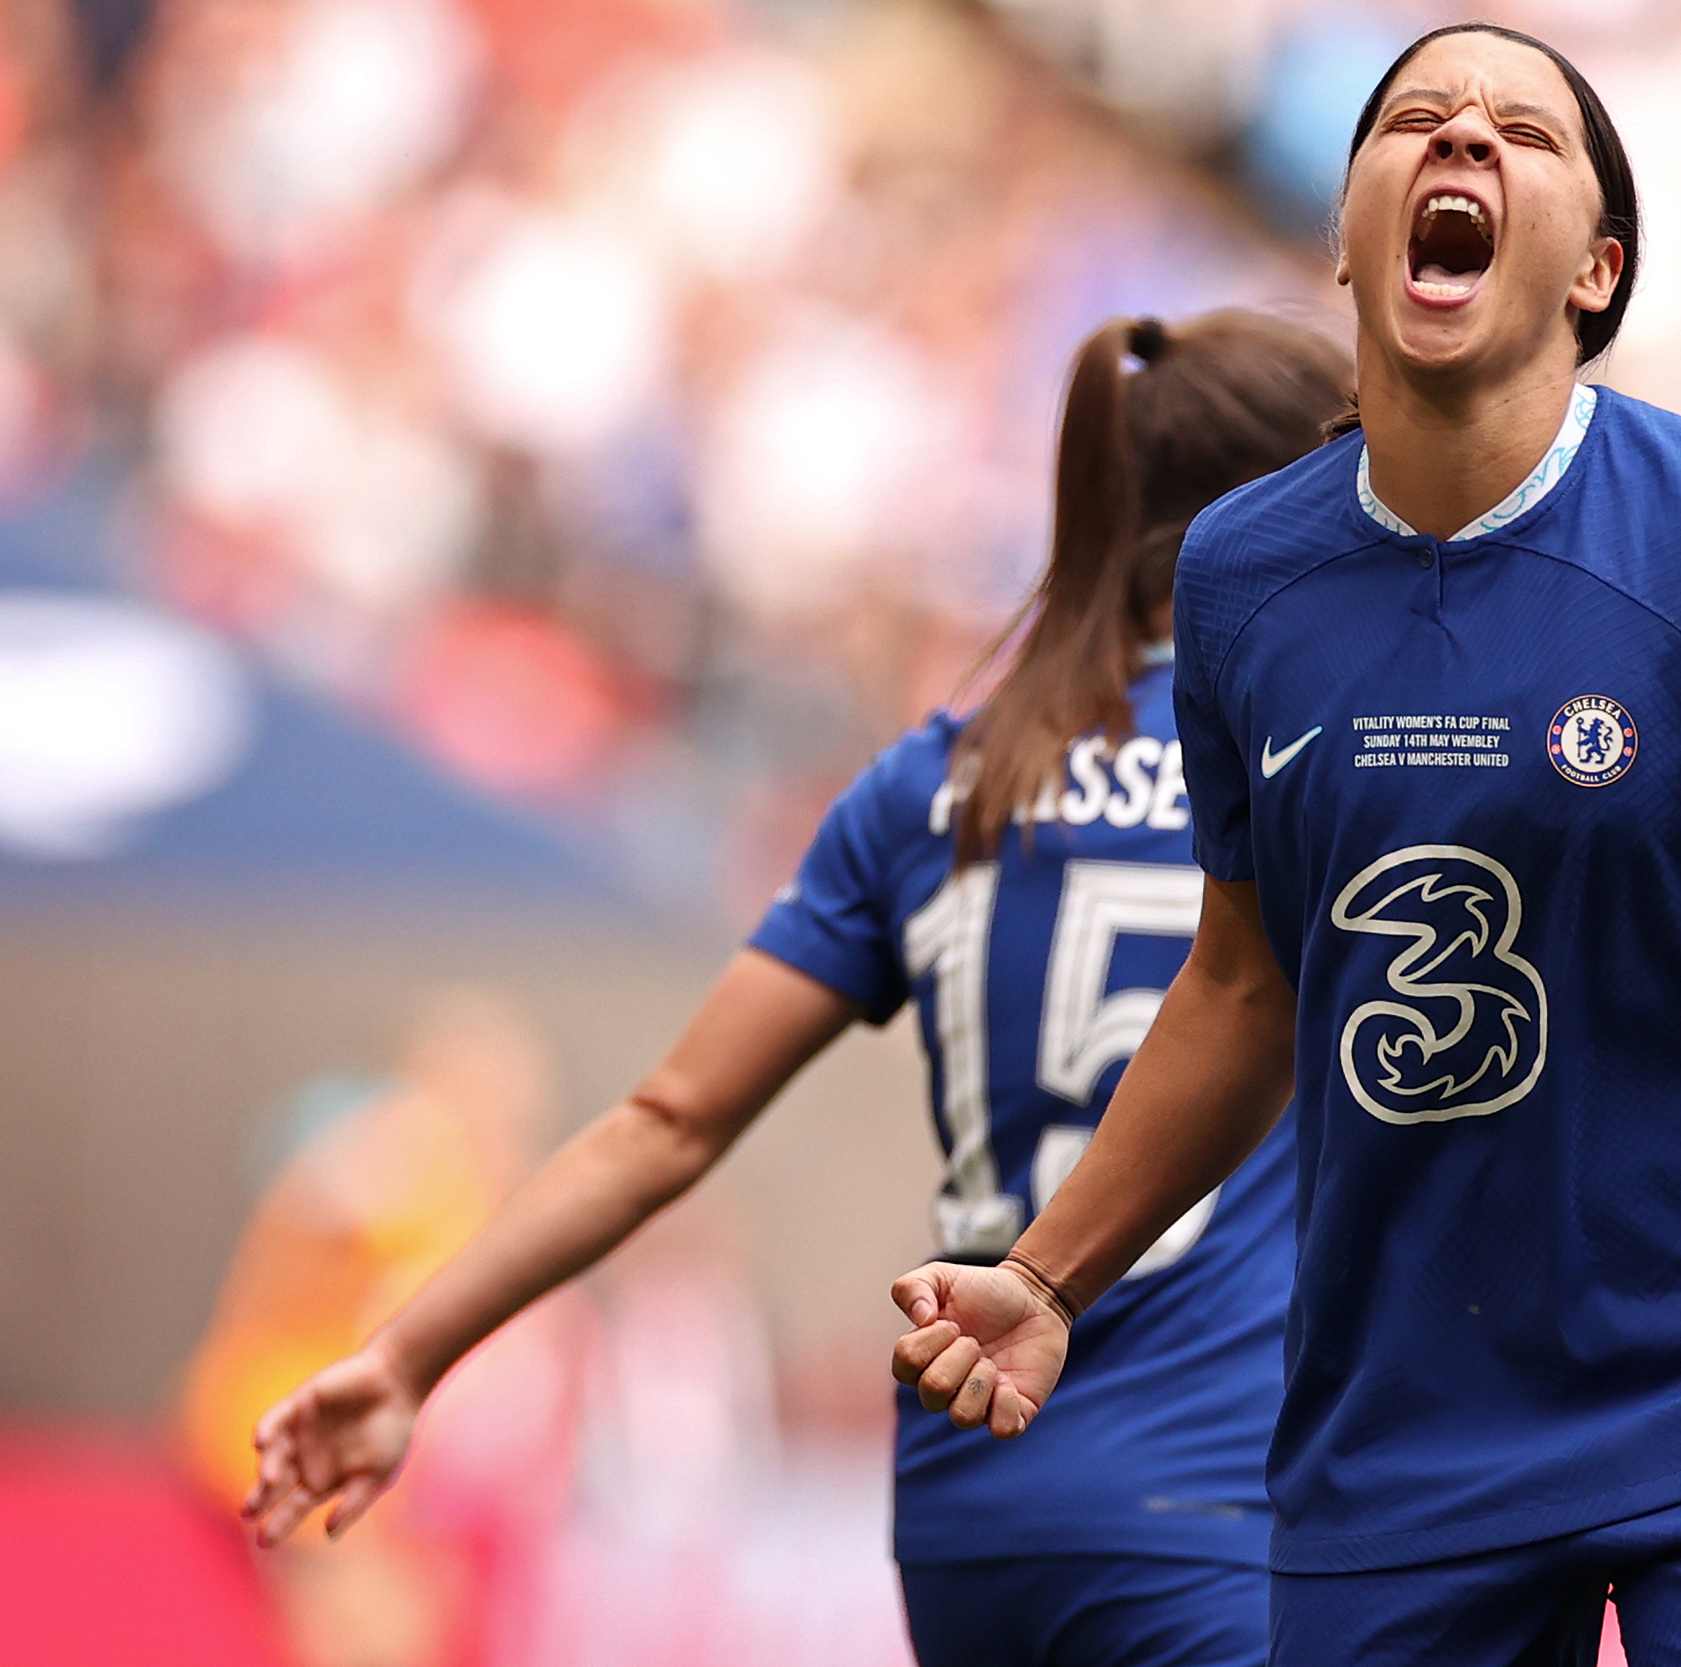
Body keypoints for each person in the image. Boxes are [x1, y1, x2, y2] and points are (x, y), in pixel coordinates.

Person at [889, 24, 1681, 1667]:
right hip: (1404, 1430)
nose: (1461, 140)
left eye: (1520, 131)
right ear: (1349, 233)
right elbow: (1244, 986)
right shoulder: (1243, 577)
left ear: (1596, 271)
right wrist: (1051, 1275)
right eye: (1416, 120)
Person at [239, 308, 1358, 1667]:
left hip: (973, 1505)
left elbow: (666, 1122)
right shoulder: (1327, 768)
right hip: (1222, 1501)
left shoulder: (929, 787)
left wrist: (409, 1356)